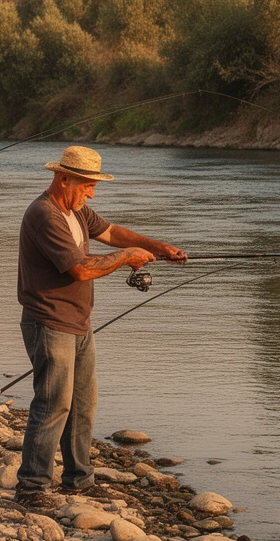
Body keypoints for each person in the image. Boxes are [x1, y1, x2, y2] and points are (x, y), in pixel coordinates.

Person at [15, 146, 185, 507]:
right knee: (53, 404)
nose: (91, 193)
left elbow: (112, 232)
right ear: (64, 179)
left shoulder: (76, 209)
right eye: (88, 186)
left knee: (82, 405)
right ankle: (31, 487)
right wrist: (126, 258)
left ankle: (79, 480)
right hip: (49, 322)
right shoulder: (44, 215)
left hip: (78, 322)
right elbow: (80, 269)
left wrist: (157, 247)